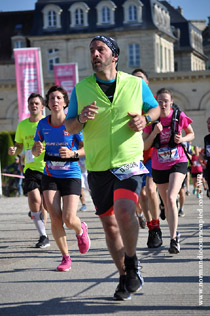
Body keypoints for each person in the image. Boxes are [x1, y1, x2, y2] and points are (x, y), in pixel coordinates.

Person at [65, 35, 160, 300]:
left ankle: (131, 263)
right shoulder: (81, 88)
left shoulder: (135, 84)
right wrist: (81, 118)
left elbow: (155, 111)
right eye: (92, 50)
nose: (95, 53)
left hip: (128, 161)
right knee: (109, 226)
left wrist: (144, 119)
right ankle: (125, 276)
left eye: (100, 49)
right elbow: (69, 126)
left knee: (125, 210)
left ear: (114, 55)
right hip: (97, 166)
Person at [32, 85, 90, 272]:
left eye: (58, 98)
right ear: (47, 104)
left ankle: (80, 229)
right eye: (51, 98)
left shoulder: (72, 124)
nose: (55, 101)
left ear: (65, 102)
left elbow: (86, 149)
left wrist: (73, 154)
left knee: (68, 217)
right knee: (55, 216)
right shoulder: (42, 124)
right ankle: (66, 257)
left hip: (71, 174)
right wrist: (37, 149)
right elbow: (34, 148)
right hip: (50, 174)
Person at [143, 88, 194, 254]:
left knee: (172, 198)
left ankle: (174, 238)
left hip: (178, 160)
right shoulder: (152, 121)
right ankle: (171, 223)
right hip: (159, 165)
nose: (163, 104)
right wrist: (155, 132)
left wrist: (182, 139)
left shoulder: (179, 116)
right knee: (167, 202)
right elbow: (145, 145)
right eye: (160, 101)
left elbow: (191, 134)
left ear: (171, 102)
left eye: (166, 101)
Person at [8, 93, 50, 249]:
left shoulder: (48, 123)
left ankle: (44, 226)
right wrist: (15, 149)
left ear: (42, 106)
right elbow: (19, 145)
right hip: (31, 168)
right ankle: (43, 236)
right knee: (35, 200)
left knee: (46, 205)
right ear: (28, 106)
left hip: (48, 168)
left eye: (37, 103)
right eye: (31, 103)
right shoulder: (22, 125)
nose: (34, 105)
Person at [132, 68, 162, 248]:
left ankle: (155, 228)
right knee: (141, 194)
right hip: (135, 155)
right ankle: (150, 225)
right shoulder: (127, 102)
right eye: (134, 80)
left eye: (140, 80)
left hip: (151, 154)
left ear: (147, 83)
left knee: (150, 190)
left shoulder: (151, 105)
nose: (137, 83)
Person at [201, 117, 210, 198]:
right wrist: (202, 156)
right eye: (207, 123)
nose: (208, 125)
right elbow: (206, 154)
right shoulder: (206, 138)